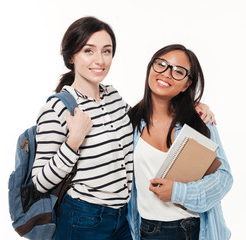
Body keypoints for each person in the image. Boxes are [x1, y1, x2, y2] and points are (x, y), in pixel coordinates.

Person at [31, 17, 216, 240]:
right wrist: (73, 142)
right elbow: (39, 182)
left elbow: (149, 115)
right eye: (89, 51)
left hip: (123, 219)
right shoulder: (58, 108)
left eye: (106, 51)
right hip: (83, 218)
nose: (99, 60)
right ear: (71, 56)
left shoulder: (113, 97)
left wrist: (191, 104)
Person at [127, 44, 233, 240]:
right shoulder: (129, 122)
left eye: (178, 71)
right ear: (150, 68)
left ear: (186, 84)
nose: (167, 74)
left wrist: (178, 192)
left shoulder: (199, 122)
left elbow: (224, 178)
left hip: (195, 229)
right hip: (147, 230)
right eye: (162, 64)